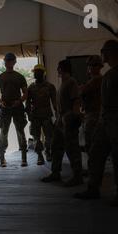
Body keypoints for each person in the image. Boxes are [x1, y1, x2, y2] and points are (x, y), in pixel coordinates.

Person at [75, 40, 118, 206]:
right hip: (105, 123)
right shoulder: (109, 74)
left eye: (103, 51)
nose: (101, 55)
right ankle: (93, 188)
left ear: (109, 52)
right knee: (96, 154)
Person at [41, 59, 83, 187]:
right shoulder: (63, 83)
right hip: (61, 121)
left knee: (72, 149)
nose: (57, 70)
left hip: (68, 119)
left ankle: (77, 176)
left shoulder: (71, 82)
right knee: (56, 146)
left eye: (58, 68)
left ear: (62, 69)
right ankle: (55, 172)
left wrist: (74, 118)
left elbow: (76, 101)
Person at [0, 53, 29, 168]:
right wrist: (1, 102)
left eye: (10, 60)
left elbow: (25, 93)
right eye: (7, 61)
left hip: (17, 107)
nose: (8, 62)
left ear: (14, 62)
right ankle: (2, 159)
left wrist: (19, 101)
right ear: (5, 62)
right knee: (4, 133)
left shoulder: (20, 77)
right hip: (5, 107)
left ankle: (24, 158)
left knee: (20, 131)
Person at [26, 64, 56, 165]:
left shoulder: (50, 87)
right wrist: (29, 114)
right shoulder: (30, 87)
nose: (36, 73)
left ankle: (48, 152)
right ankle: (39, 155)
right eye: (35, 72)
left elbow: (55, 102)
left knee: (49, 137)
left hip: (47, 115)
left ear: (43, 74)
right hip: (35, 116)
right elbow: (27, 102)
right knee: (36, 138)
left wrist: (58, 115)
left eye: (38, 72)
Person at [80, 55, 103, 154]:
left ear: (98, 67)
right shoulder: (94, 79)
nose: (90, 68)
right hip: (93, 113)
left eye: (93, 65)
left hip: (94, 115)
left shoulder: (96, 80)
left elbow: (81, 91)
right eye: (89, 65)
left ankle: (94, 167)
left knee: (92, 143)